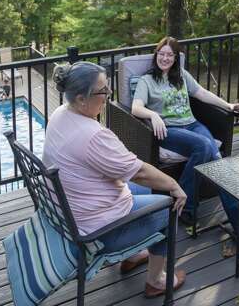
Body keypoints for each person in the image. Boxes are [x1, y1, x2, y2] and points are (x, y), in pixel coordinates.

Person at [43, 61, 188, 298]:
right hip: (94, 230)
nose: (108, 95)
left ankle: (131, 256)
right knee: (168, 207)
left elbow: (124, 171)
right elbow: (139, 171)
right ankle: (156, 281)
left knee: (147, 191)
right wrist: (175, 185)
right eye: (103, 91)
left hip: (69, 210)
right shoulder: (93, 135)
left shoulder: (60, 114)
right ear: (81, 98)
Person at [131, 36, 239, 243]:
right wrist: (153, 115)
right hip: (169, 130)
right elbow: (135, 107)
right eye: (161, 54)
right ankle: (230, 216)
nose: (165, 58)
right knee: (206, 145)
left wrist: (228, 106)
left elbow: (202, 93)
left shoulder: (181, 76)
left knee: (217, 161)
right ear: (156, 55)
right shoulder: (147, 80)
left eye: (170, 55)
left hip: (193, 125)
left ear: (176, 58)